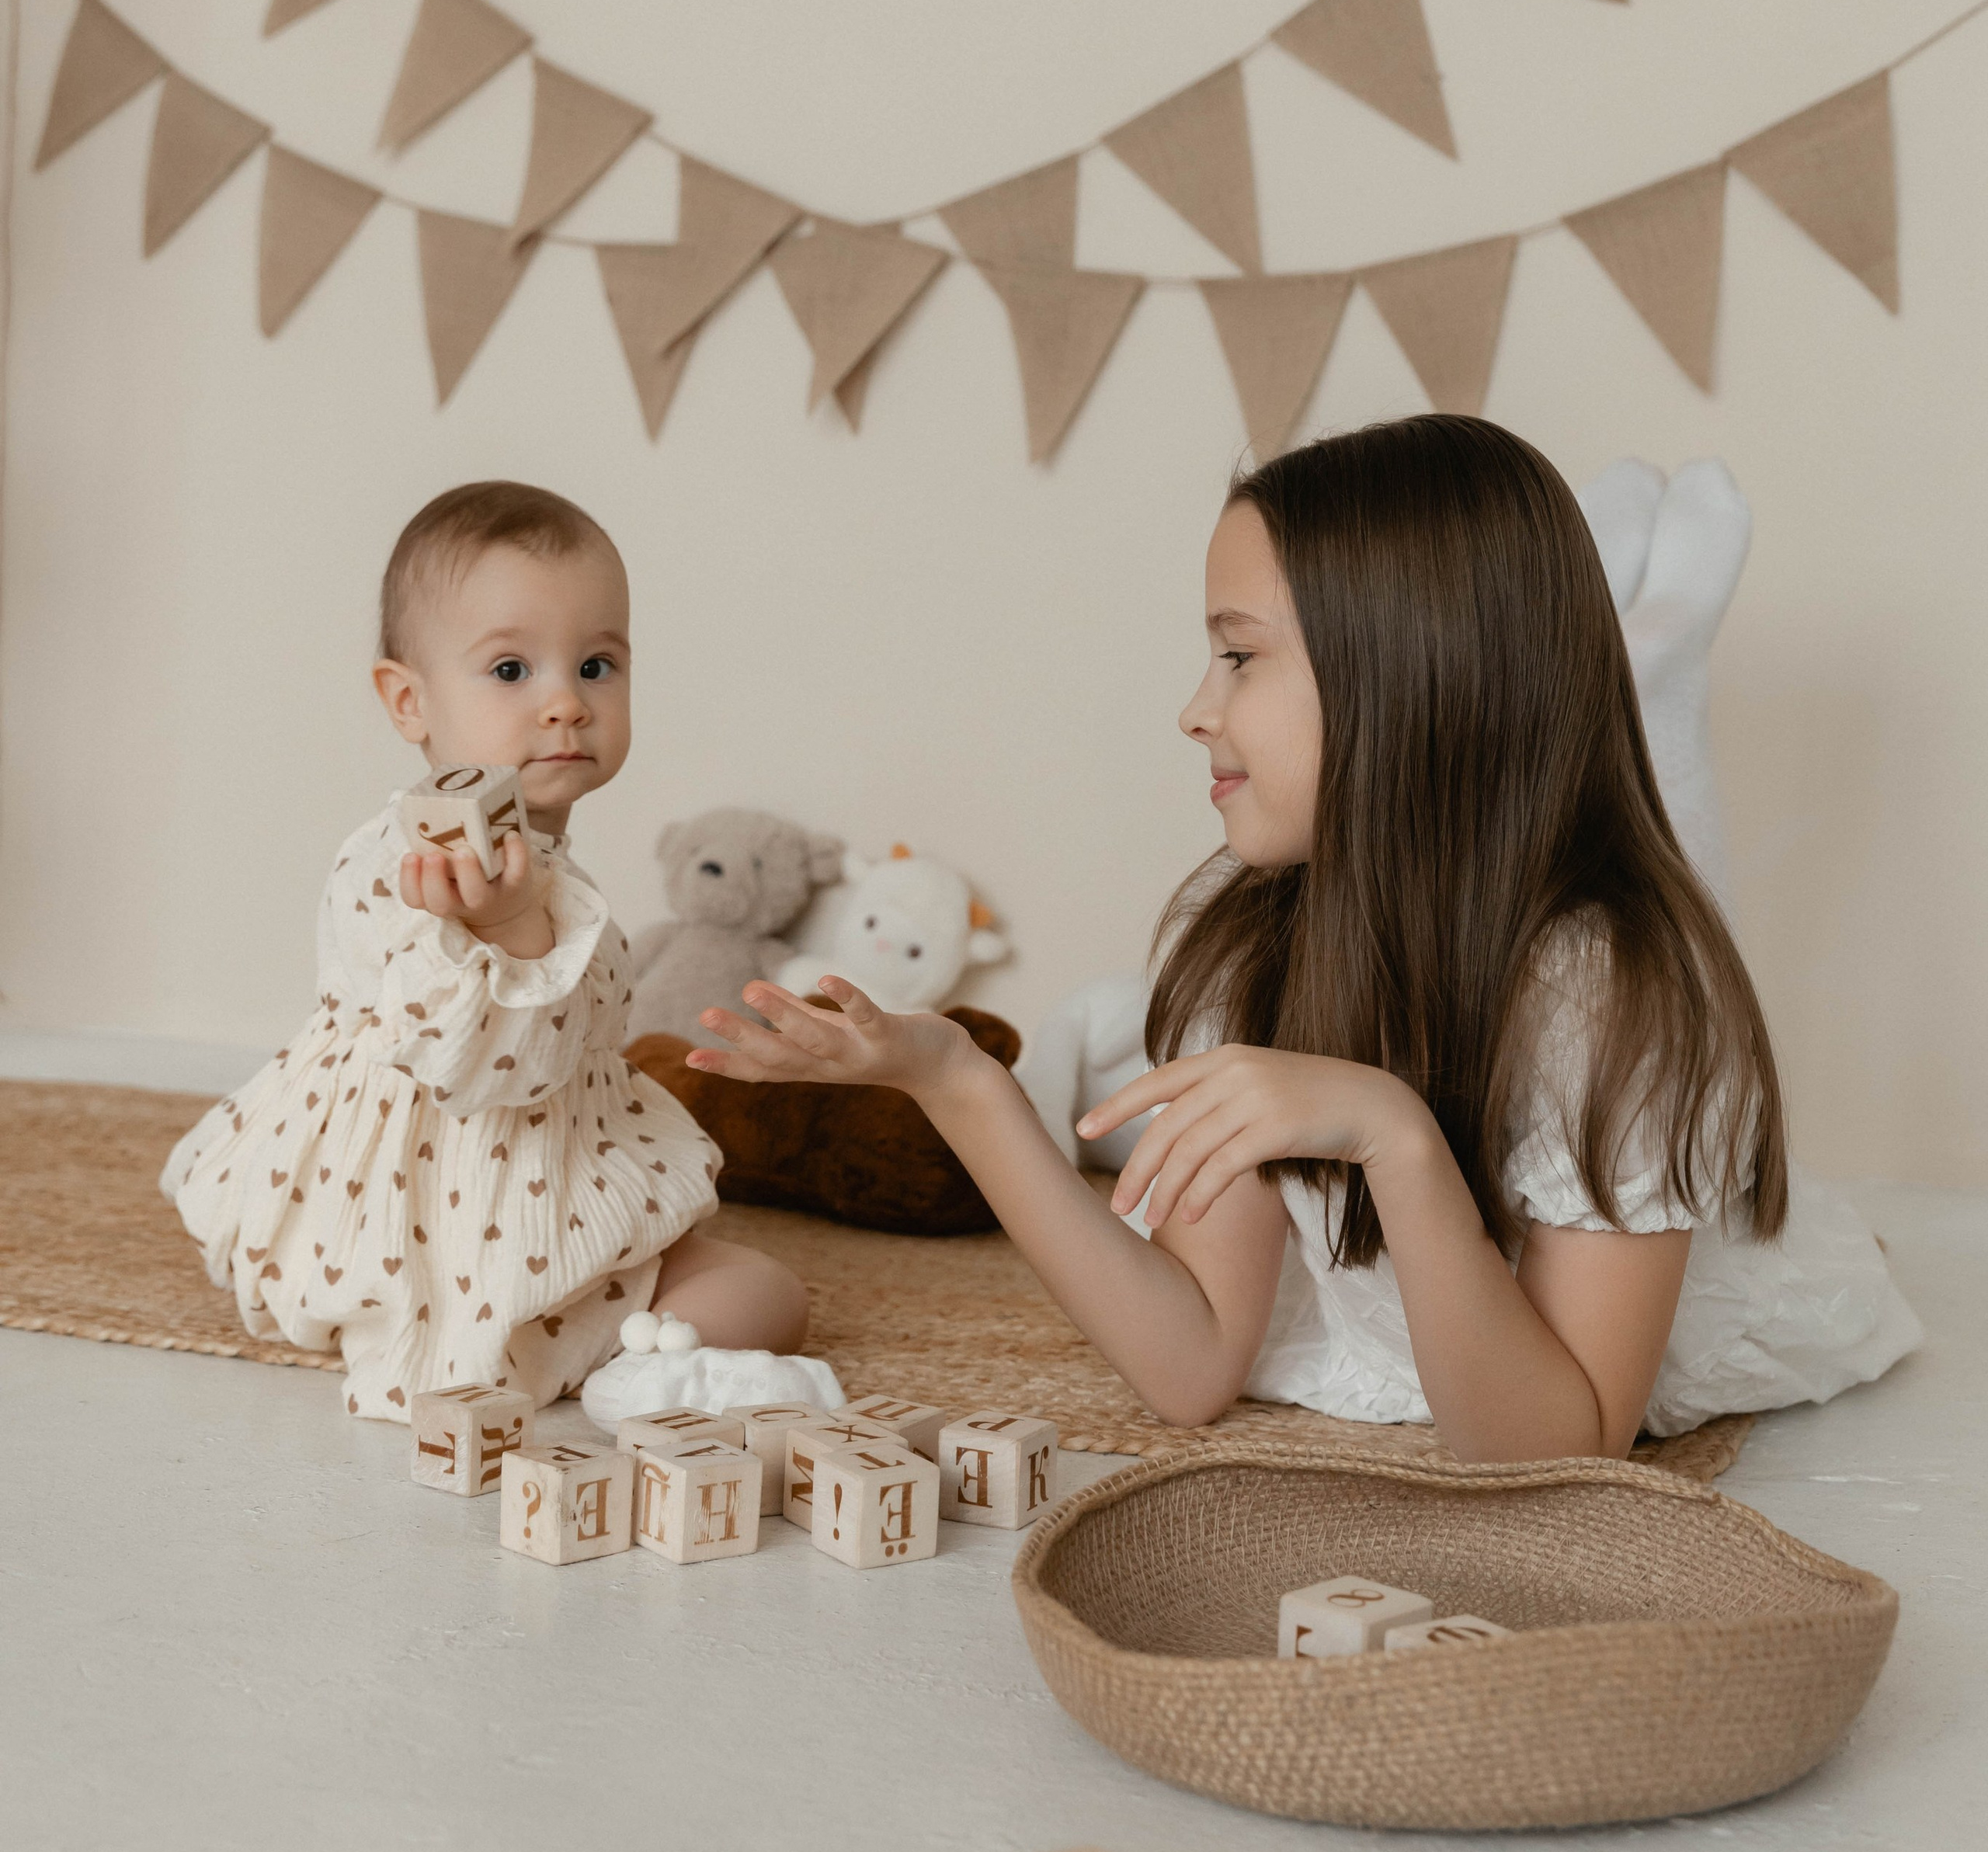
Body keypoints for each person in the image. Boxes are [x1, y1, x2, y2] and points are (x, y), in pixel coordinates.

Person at [690, 418, 1919, 1460]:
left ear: (1409, 683)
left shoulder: (1616, 1002)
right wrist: (953, 1079)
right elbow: (1188, 1364)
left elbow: (1558, 1448)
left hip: (1606, 1306)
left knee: (1664, 879)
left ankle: (1656, 664)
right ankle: (1648, 659)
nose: (1195, 708)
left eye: (1239, 656)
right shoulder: (1252, 933)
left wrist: (1393, 1133)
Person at [164, 480, 808, 1420]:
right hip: (448, 1183)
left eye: (596, 666)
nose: (565, 705)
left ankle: (624, 1341)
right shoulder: (419, 866)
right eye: (511, 672)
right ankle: (597, 1352)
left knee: (757, 1290)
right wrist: (504, 933)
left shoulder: (532, 849)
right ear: (408, 701)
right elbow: (472, 1068)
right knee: (762, 1296)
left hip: (549, 1148)